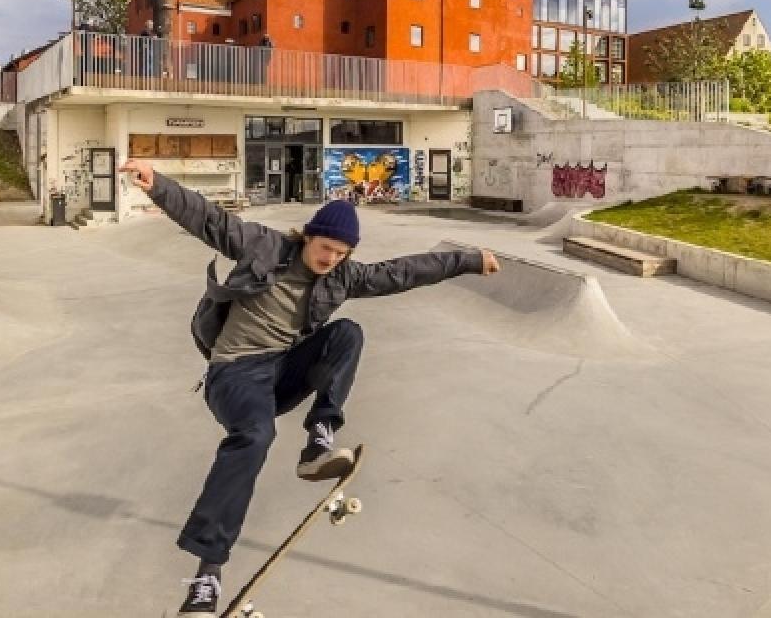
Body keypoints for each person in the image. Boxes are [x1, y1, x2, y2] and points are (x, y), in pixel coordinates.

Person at [120, 158, 500, 616]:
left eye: (341, 254)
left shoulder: (341, 276)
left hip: (283, 373)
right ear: (308, 236)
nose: (330, 260)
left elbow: (402, 272)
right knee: (255, 438)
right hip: (235, 373)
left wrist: (467, 260)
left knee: (348, 333)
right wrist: (158, 184)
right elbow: (210, 220)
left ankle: (318, 443)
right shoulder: (262, 246)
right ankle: (206, 576)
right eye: (325, 249)